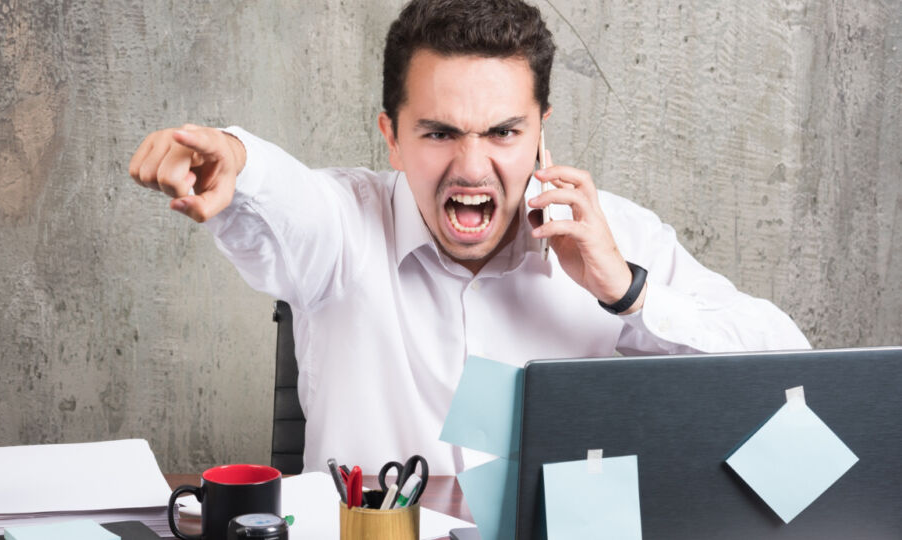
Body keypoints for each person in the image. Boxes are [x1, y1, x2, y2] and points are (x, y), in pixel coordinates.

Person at [128, 0, 810, 474]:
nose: (472, 165)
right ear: (392, 136)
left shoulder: (616, 235)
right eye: (440, 132)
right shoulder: (341, 231)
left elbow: (789, 373)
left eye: (504, 132)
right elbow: (281, 198)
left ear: (542, 131)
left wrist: (626, 291)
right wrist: (233, 157)